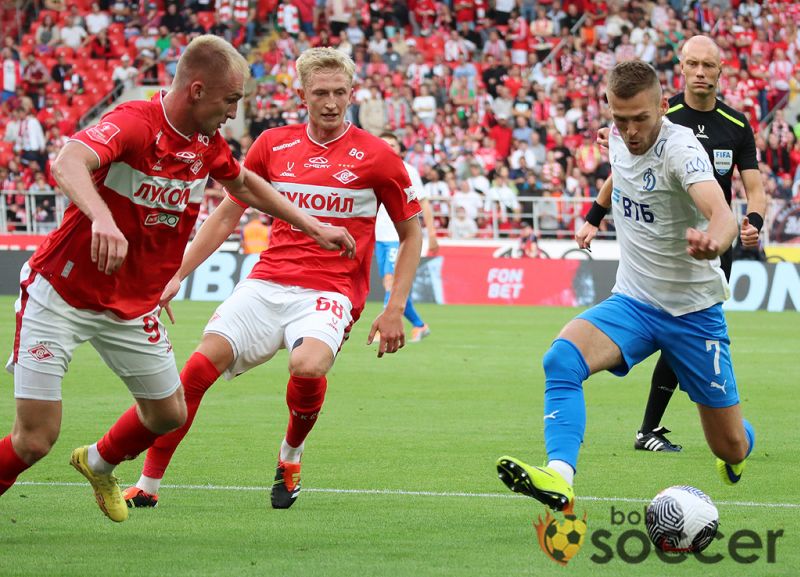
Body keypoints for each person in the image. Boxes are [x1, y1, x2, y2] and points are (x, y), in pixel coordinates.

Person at [0, 35, 355, 523]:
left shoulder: (206, 143)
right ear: (196, 90)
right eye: (229, 100)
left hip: (131, 304)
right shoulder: (133, 122)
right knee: (35, 439)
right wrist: (101, 217)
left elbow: (244, 184)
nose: (233, 112)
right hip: (61, 294)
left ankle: (99, 464)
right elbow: (68, 161)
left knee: (169, 414)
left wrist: (311, 224)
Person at [121, 47, 423, 511]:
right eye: (320, 92)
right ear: (301, 94)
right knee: (197, 369)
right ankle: (148, 484)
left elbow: (410, 234)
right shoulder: (271, 144)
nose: (330, 102)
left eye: (340, 92)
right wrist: (176, 274)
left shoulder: (378, 157)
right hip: (266, 281)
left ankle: (290, 456)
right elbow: (224, 217)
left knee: (307, 366)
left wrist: (395, 308)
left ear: (352, 94)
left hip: (330, 290)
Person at [497, 60, 755, 512]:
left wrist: (715, 239)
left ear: (663, 106)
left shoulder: (682, 152)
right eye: (621, 119)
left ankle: (742, 438)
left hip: (693, 312)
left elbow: (722, 212)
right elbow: (619, 168)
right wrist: (593, 216)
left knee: (729, 447)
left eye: (642, 119)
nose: (632, 130)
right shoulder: (617, 135)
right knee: (561, 357)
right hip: (634, 301)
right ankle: (560, 477)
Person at [587, 35, 766, 453]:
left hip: (713, 243)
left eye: (709, 65)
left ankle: (723, 435)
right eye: (693, 64)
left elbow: (754, 190)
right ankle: (654, 428)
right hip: (666, 242)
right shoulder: (657, 116)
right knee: (676, 328)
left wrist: (751, 222)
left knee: (685, 328)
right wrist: (594, 216)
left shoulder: (737, 125)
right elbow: (625, 168)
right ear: (681, 70)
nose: (701, 72)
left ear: (721, 71)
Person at [374, 131, 437, 343]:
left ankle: (384, 328)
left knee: (393, 282)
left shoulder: (407, 170)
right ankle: (420, 325)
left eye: (393, 144)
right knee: (390, 284)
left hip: (397, 235)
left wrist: (432, 233)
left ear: (400, 149)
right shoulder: (372, 169)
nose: (389, 147)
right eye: (384, 144)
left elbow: (424, 202)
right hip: (379, 236)